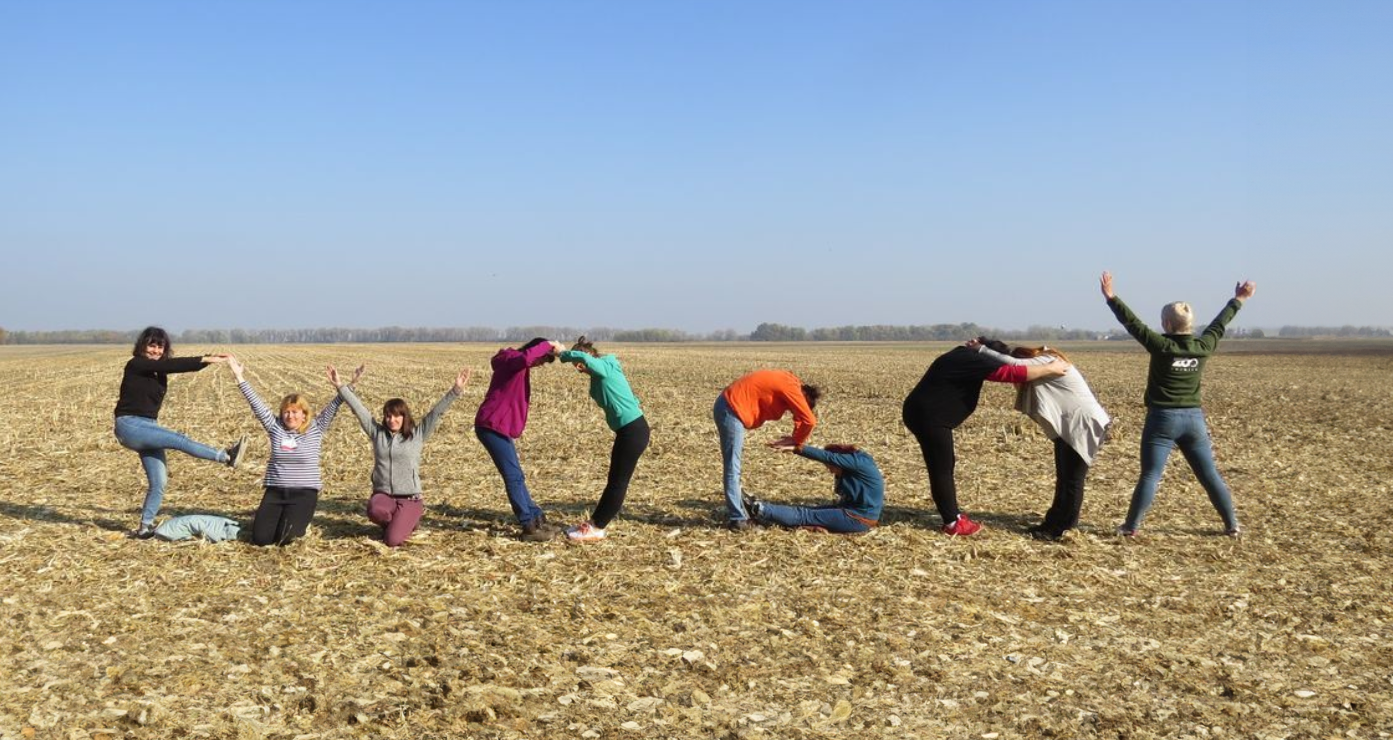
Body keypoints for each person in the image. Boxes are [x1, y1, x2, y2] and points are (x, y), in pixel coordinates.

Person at [1101, 271, 1255, 537]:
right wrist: (1238, 299)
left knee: (1150, 475)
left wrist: (1112, 298)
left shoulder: (1161, 346)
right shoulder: (1203, 345)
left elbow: (1133, 324)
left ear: (1167, 324)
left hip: (1162, 419)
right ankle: (1232, 525)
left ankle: (1130, 527)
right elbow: (1220, 324)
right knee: (1209, 475)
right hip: (1194, 420)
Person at [902, 338, 1070, 536]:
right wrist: (1051, 368)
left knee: (943, 465)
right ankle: (952, 522)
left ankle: (951, 516)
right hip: (929, 417)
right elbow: (1012, 373)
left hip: (923, 414)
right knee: (942, 468)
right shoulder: (972, 359)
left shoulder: (962, 355)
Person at [113, 326, 245, 539]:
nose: (156, 350)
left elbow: (177, 366)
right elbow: (175, 365)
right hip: (130, 425)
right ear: (142, 346)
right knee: (178, 439)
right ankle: (226, 456)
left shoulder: (158, 370)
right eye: (152, 345)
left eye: (160, 346)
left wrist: (209, 361)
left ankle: (144, 527)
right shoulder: (136, 364)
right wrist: (206, 358)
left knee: (159, 483)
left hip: (148, 426)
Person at [972, 341, 1111, 540]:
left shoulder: (1050, 359)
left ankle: (1063, 529)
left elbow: (1014, 364)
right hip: (1071, 425)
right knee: (1064, 478)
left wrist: (982, 350)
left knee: (1072, 480)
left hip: (1083, 424)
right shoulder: (1046, 360)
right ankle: (1052, 523)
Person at [228, 356, 356, 546]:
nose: (290, 416)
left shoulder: (316, 428)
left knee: (286, 539)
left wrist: (345, 385)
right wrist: (239, 376)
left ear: (304, 415)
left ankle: (298, 519)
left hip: (304, 494)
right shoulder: (275, 427)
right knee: (261, 539)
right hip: (276, 492)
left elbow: (335, 405)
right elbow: (256, 404)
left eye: (295, 412)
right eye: (286, 412)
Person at [338, 366, 472, 547]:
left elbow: (436, 413)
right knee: (374, 509)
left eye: (396, 416)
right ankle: (399, 523)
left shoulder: (417, 434)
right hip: (384, 495)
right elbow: (359, 410)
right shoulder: (377, 434)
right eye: (388, 416)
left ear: (404, 416)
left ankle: (407, 521)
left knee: (391, 541)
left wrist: (455, 390)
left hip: (410, 498)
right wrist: (340, 387)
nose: (391, 420)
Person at [557, 337, 650, 542]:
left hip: (633, 430)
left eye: (579, 366)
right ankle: (595, 523)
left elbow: (583, 358)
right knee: (615, 480)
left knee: (617, 482)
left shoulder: (605, 366)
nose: (579, 370)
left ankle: (597, 527)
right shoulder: (600, 375)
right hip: (628, 430)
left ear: (589, 358)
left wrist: (561, 353)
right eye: (577, 368)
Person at [474, 337, 565, 541]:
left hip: (497, 426)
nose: (540, 364)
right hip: (491, 425)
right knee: (513, 476)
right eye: (542, 360)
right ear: (536, 351)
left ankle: (536, 517)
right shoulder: (512, 360)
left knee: (517, 475)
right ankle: (528, 526)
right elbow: (525, 359)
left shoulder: (515, 363)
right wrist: (550, 344)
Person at [713, 369, 820, 530]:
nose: (790, 411)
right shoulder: (792, 388)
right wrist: (796, 441)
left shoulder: (790, 380)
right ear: (803, 397)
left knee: (734, 466)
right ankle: (738, 519)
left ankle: (740, 507)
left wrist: (795, 438)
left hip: (729, 406)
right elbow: (809, 421)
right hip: (731, 409)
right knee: (732, 467)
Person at [749, 443, 884, 534]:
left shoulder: (858, 463)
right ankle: (763, 512)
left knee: (804, 515)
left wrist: (798, 448)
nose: (830, 471)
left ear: (838, 462)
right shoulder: (859, 462)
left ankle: (758, 508)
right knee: (807, 512)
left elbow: (829, 457)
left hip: (858, 519)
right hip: (854, 514)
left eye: (829, 466)